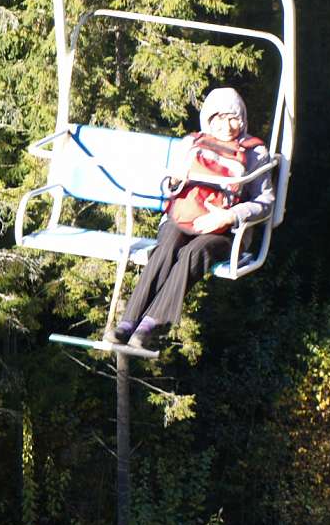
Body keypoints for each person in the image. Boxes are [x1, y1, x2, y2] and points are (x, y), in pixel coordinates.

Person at [110, 87, 274, 349]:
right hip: (184, 217)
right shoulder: (192, 143)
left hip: (224, 232)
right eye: (219, 118)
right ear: (208, 120)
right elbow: (167, 189)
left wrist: (230, 216)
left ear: (242, 119)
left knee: (192, 253)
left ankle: (150, 325)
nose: (227, 126)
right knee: (166, 248)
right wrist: (175, 181)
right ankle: (127, 323)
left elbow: (265, 203)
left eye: (233, 118)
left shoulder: (254, 153)